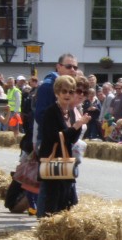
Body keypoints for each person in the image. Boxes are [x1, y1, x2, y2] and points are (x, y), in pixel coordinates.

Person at [38, 75, 90, 215]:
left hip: (65, 160)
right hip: (53, 160)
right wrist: (77, 125)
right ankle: (48, 227)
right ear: (57, 93)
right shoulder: (51, 111)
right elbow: (55, 136)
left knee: (67, 200)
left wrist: (78, 126)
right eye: (64, 91)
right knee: (53, 200)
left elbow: (70, 139)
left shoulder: (70, 112)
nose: (68, 95)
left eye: (71, 92)